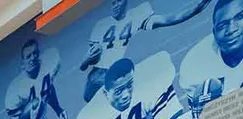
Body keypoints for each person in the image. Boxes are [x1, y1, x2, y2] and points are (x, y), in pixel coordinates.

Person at [79, 0, 213, 102]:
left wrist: (196, 8)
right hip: (96, 75)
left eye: (119, 1)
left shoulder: (136, 15)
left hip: (117, 75)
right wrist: (86, 59)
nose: (116, 5)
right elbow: (83, 66)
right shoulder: (101, 25)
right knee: (89, 102)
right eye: (113, 2)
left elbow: (170, 19)